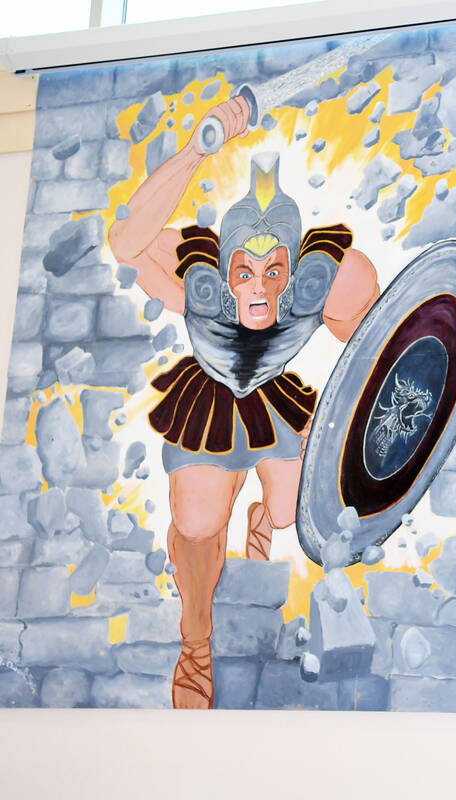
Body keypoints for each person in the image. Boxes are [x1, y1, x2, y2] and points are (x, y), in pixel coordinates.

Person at [108, 96, 380, 709]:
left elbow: (381, 344)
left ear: (295, 269)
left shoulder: (325, 281)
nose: (259, 289)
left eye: (274, 272)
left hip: (276, 403)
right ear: (223, 270)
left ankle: (261, 516)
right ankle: (196, 642)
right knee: (198, 525)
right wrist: (194, 152)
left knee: (292, 517)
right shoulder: (192, 273)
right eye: (245, 272)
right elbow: (125, 240)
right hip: (207, 404)